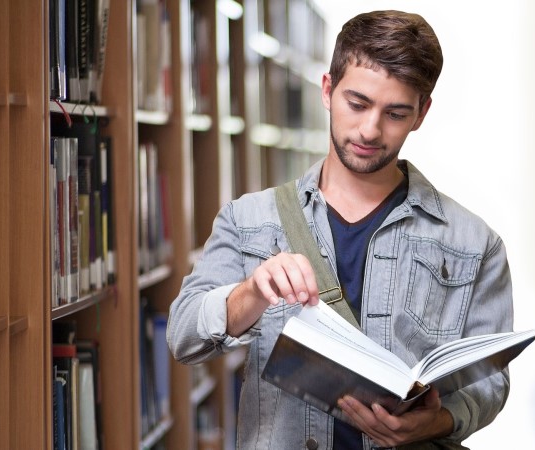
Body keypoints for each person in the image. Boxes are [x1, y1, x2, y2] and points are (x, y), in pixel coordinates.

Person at [167, 9, 515, 449]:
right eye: (358, 103)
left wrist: (439, 421)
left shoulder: (475, 244)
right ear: (328, 90)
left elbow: (491, 383)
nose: (370, 129)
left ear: (421, 113)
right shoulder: (248, 220)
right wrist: (251, 292)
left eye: (395, 113)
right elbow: (183, 336)